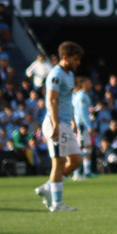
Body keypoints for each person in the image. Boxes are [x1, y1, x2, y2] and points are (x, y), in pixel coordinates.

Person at [34, 41, 85, 212]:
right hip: (55, 122)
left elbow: (66, 100)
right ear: (65, 58)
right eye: (75, 59)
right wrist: (56, 124)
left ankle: (48, 187)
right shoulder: (55, 74)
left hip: (65, 122)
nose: (78, 63)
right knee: (58, 162)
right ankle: (56, 204)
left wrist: (72, 120)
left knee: (76, 160)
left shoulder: (69, 74)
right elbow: (52, 99)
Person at [71, 75, 96, 178]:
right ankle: (76, 172)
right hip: (81, 125)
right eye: (89, 82)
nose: (91, 84)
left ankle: (87, 171)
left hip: (83, 125)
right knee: (80, 148)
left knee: (87, 148)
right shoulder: (81, 96)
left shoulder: (84, 95)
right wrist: (89, 126)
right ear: (83, 84)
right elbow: (82, 113)